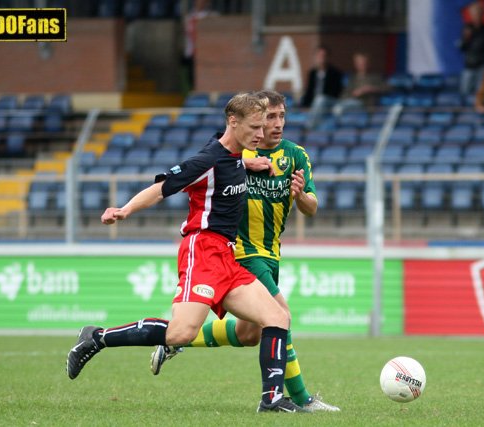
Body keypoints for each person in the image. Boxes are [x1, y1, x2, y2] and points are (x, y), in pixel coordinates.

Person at [65, 92, 308, 413]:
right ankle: (97, 337)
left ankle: (272, 400)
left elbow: (231, 158)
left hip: (227, 255)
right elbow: (163, 186)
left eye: (264, 127)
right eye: (255, 127)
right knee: (181, 332)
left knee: (277, 317)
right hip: (202, 250)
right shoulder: (207, 160)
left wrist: (248, 163)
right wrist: (123, 210)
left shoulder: (236, 154)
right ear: (233, 123)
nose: (261, 135)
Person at [149, 90, 340, 412]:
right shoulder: (235, 154)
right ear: (254, 121)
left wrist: (300, 195)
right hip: (239, 251)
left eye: (281, 117)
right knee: (281, 317)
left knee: (250, 332)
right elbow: (212, 158)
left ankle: (174, 339)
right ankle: (300, 398)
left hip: (271, 252)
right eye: (269, 118)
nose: (276, 125)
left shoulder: (295, 155)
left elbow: (311, 207)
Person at [459, 1, 484, 95]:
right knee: (464, 93)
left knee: (481, 94)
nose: (476, 16)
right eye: (474, 13)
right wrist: (465, 39)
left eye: (478, 13)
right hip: (469, 66)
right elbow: (462, 48)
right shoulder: (467, 29)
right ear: (471, 15)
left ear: (482, 14)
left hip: (483, 67)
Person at [300, 45, 344, 129]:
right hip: (315, 105)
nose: (321, 58)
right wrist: (305, 106)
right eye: (319, 56)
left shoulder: (335, 73)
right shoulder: (312, 73)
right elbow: (309, 91)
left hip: (330, 102)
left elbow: (335, 92)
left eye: (323, 56)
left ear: (328, 57)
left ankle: (310, 126)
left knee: (320, 99)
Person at [332, 52, 388, 116]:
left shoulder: (376, 77)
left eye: (364, 62)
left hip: (367, 104)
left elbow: (388, 88)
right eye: (359, 63)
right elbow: (344, 95)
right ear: (356, 64)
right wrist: (355, 93)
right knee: (336, 106)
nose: (362, 64)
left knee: (339, 108)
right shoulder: (352, 79)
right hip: (353, 102)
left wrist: (371, 88)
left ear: (368, 63)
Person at [182, 0, 216, 91]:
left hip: (207, 53)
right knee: (191, 76)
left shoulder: (212, 16)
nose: (200, 2)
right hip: (192, 52)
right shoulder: (189, 17)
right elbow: (187, 35)